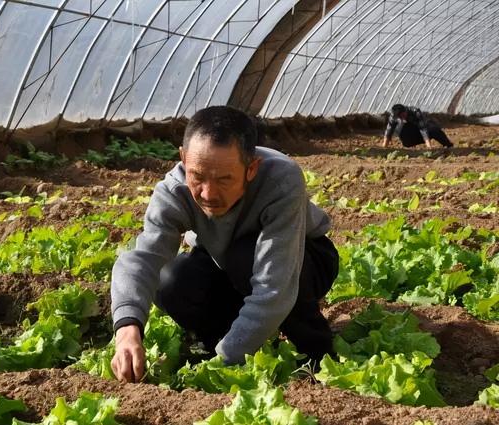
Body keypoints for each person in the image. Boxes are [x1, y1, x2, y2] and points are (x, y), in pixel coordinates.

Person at [110, 106, 339, 383]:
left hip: (303, 258)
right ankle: (224, 337)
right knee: (171, 280)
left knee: (245, 257)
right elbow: (143, 259)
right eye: (198, 176)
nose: (208, 193)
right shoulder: (174, 190)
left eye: (224, 179)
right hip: (224, 259)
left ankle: (315, 351)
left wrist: (222, 364)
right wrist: (127, 330)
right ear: (183, 158)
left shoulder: (281, 179)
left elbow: (275, 285)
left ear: (251, 168)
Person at [382, 104, 453, 149]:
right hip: (410, 133)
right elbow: (389, 130)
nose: (401, 118)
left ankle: (448, 145)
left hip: (419, 129)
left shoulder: (415, 112)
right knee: (400, 128)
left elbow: (423, 129)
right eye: (399, 117)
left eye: (402, 116)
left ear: (405, 111)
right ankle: (410, 144)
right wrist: (384, 147)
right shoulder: (393, 116)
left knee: (433, 129)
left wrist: (429, 146)